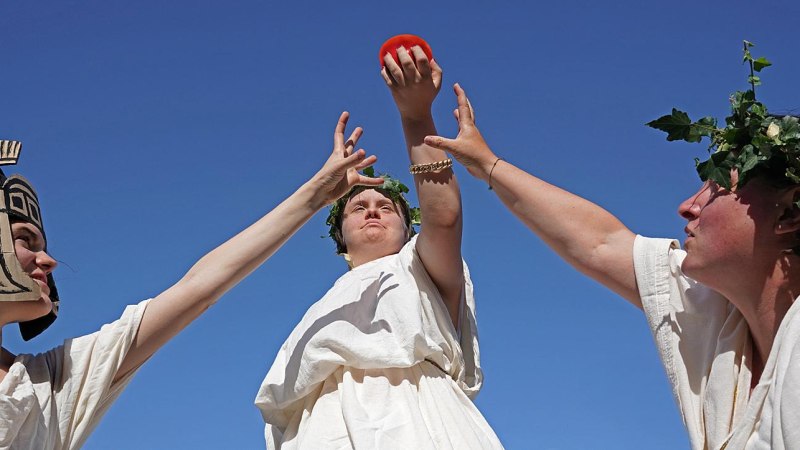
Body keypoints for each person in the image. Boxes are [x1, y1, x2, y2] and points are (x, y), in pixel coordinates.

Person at [424, 52, 800, 448]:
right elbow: (599, 242)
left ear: (789, 213)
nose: (688, 205)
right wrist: (486, 163)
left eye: (719, 189)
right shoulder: (716, 319)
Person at [0, 118, 383, 450]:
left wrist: (314, 195)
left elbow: (199, 287)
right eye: (24, 240)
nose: (48, 260)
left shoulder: (49, 384)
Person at [255, 47, 503, 449]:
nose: (373, 211)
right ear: (341, 238)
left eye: (387, 207)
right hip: (324, 427)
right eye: (358, 207)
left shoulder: (419, 267)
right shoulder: (325, 307)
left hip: (416, 418)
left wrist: (416, 117)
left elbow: (443, 217)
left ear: (408, 231)